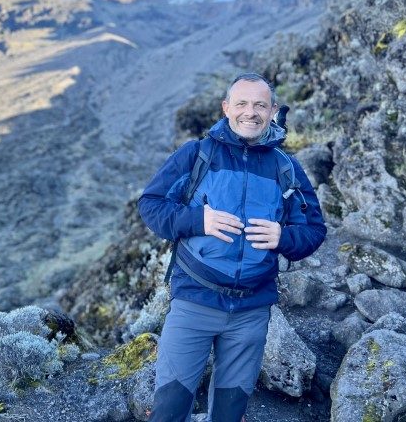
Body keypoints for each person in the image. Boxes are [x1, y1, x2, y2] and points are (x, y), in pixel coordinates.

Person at [138, 73, 326, 422]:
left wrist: (283, 237)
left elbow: (314, 231)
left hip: (251, 312)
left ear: (272, 111)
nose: (249, 112)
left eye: (259, 105)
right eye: (241, 103)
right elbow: (150, 205)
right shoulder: (196, 155)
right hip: (194, 301)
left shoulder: (286, 168)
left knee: (229, 412)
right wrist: (198, 220)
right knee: (168, 409)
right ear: (226, 108)